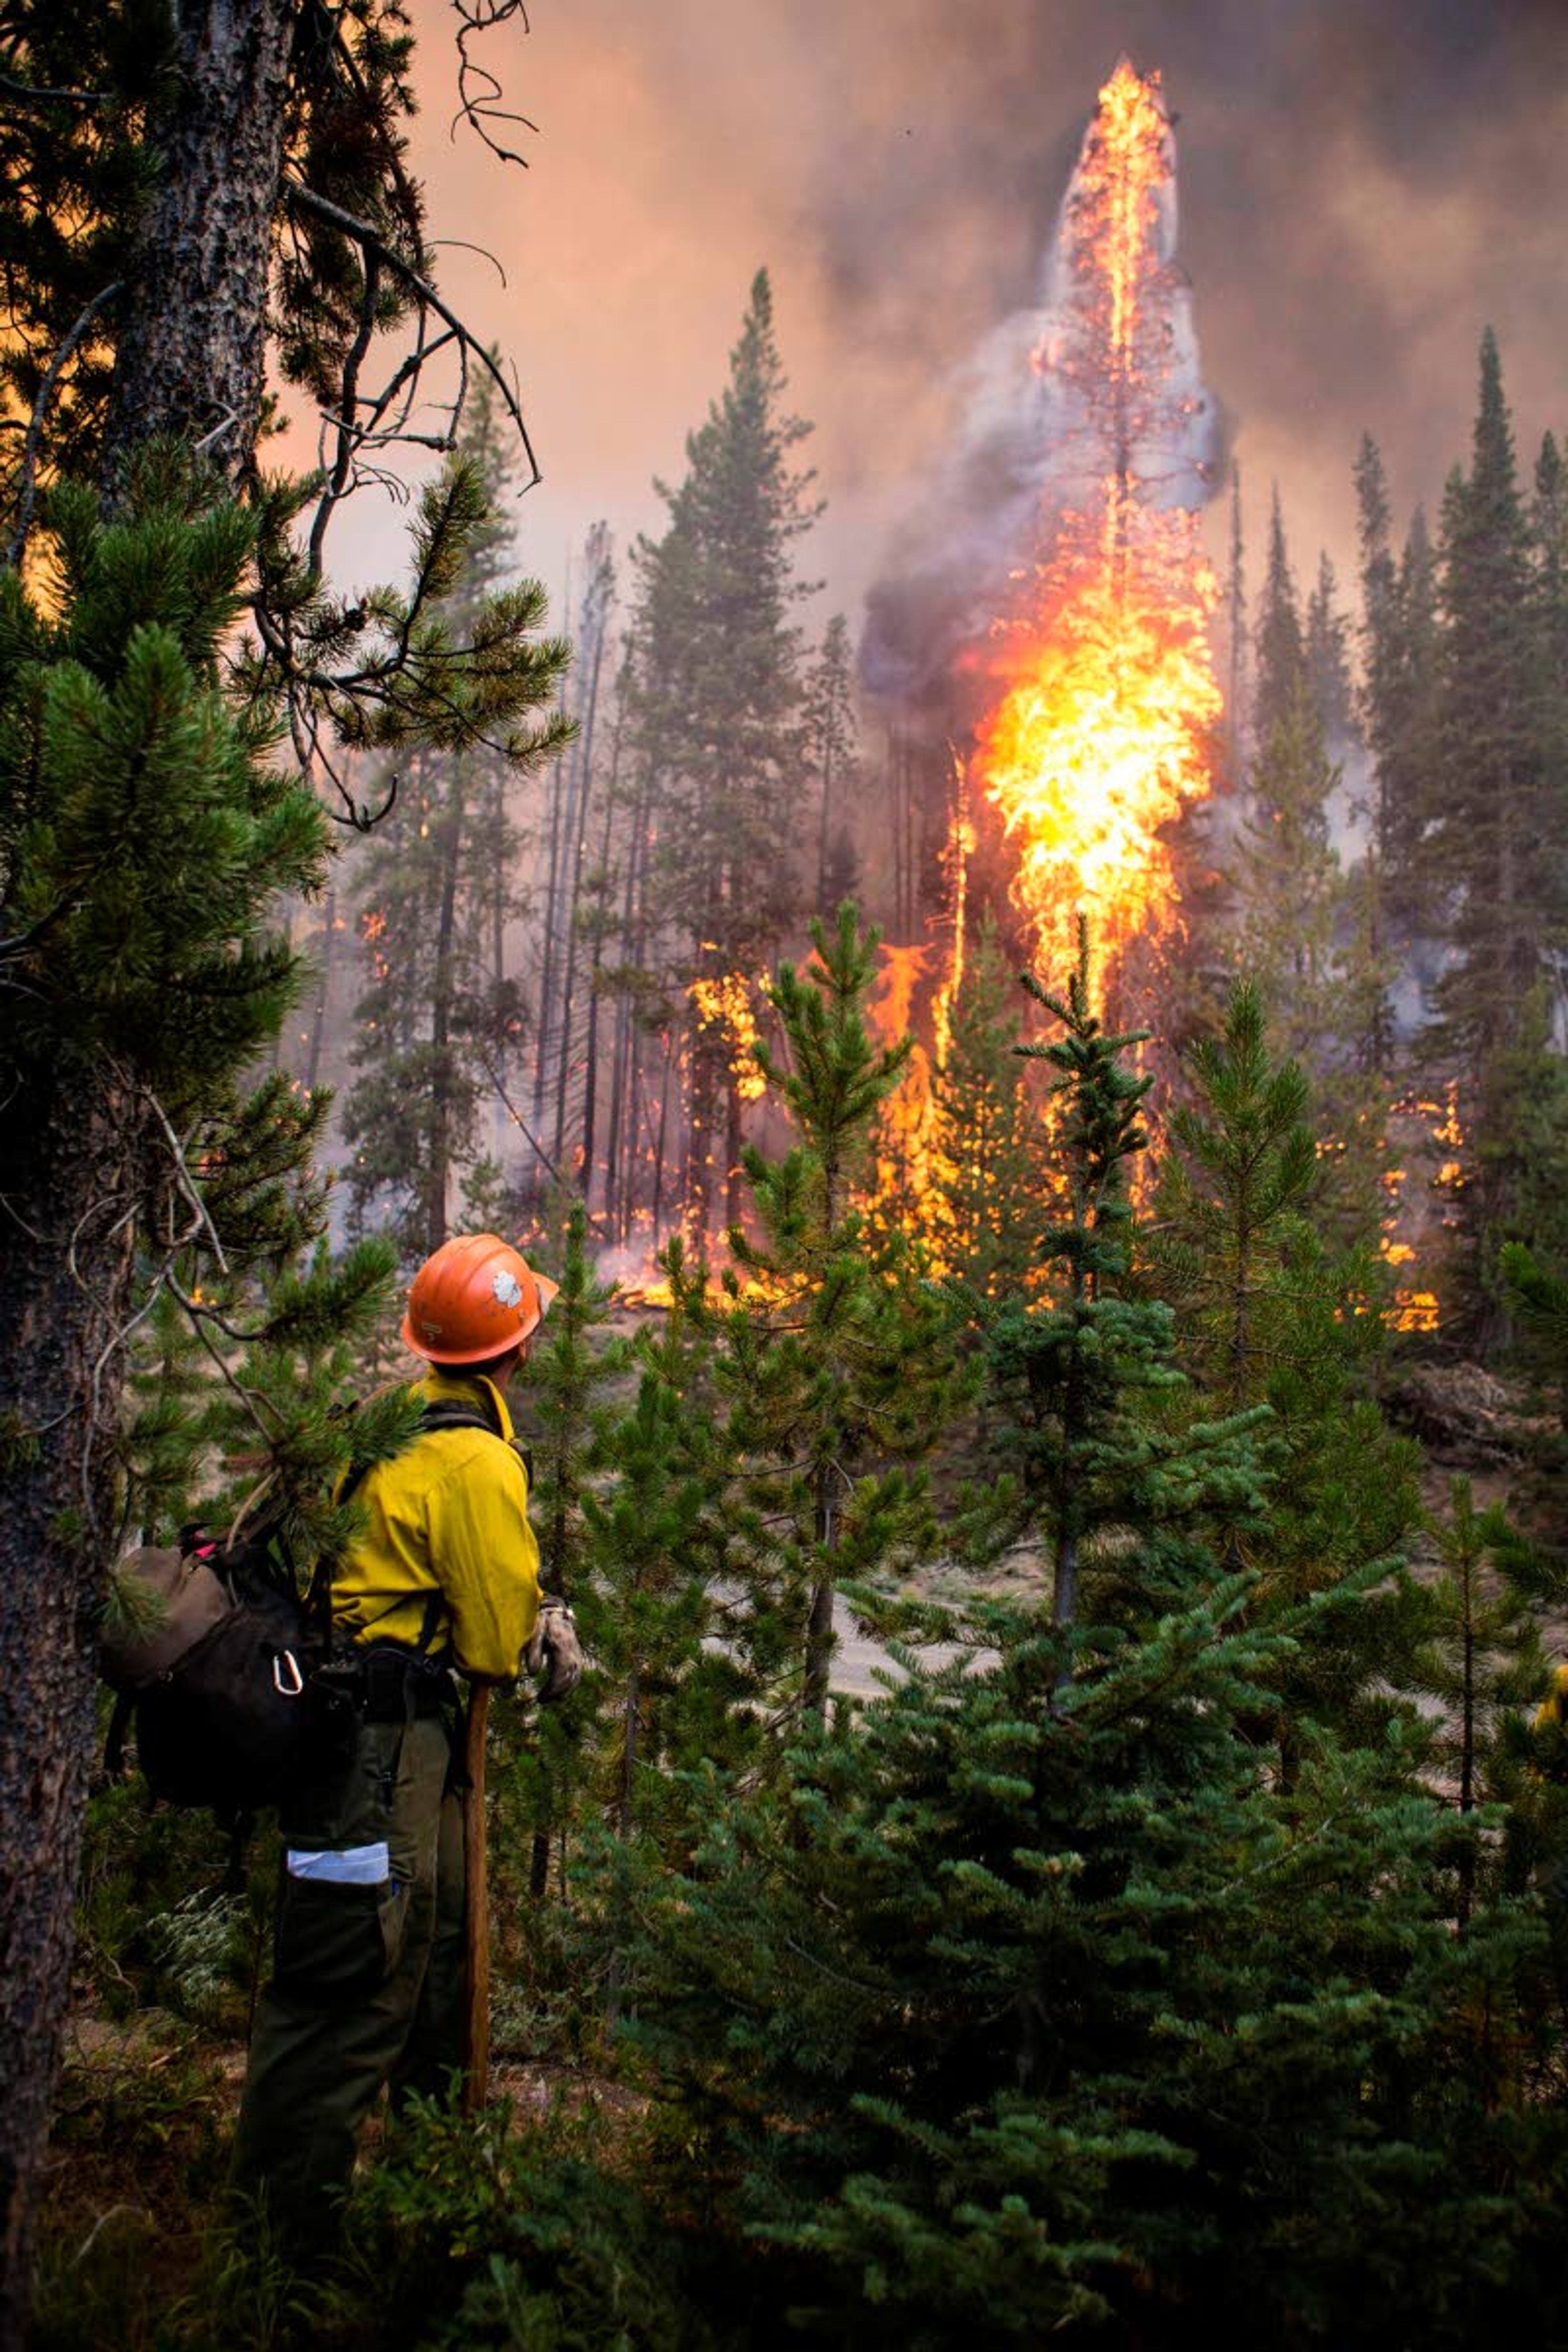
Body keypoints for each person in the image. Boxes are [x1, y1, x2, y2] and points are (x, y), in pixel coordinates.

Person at [232, 1232, 582, 2236]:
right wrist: (539, 1627)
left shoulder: (384, 1428)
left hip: (371, 1741)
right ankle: (276, 2250)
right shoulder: (473, 1460)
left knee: (427, 1964)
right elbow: (494, 1639)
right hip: (387, 1754)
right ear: (512, 1351)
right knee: (348, 1987)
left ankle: (431, 2206)